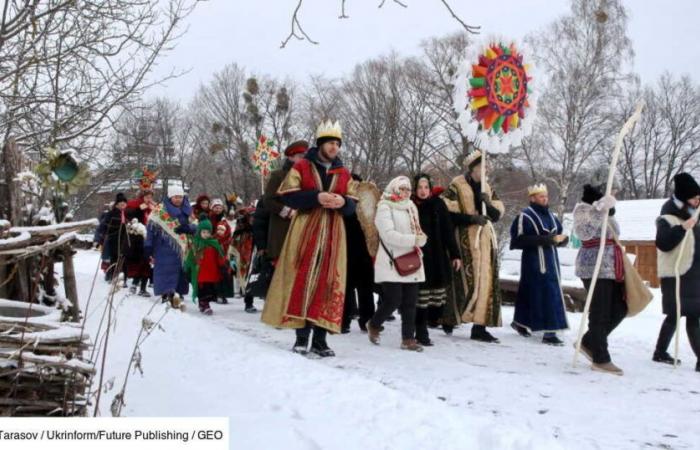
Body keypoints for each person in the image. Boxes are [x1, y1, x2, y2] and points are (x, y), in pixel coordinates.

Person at [261, 120, 356, 357]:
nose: (334, 147)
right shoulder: (302, 167)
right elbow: (288, 196)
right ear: (321, 144)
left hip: (334, 233)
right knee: (302, 280)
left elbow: (354, 204)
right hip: (305, 231)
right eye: (330, 143)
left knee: (328, 283)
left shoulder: (344, 172)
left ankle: (320, 340)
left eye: (337, 143)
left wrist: (344, 202)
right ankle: (301, 338)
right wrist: (316, 197)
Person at [441, 150, 504, 343]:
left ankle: (480, 326)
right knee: (462, 280)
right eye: (483, 166)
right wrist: (470, 218)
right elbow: (447, 213)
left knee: (486, 282)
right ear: (473, 167)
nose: (486, 170)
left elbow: (497, 214)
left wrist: (488, 204)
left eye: (488, 167)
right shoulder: (456, 185)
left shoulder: (487, 187)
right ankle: (450, 318)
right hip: (464, 239)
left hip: (484, 241)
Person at [366, 176, 427, 351]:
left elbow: (416, 228)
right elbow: (388, 235)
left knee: (410, 302)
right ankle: (375, 324)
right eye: (402, 189)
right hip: (391, 260)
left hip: (411, 259)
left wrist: (420, 237)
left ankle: (408, 339)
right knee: (393, 300)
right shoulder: (384, 206)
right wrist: (414, 240)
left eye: (408, 189)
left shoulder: (411, 206)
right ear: (394, 189)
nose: (406, 192)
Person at [573, 177, 626, 375]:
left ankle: (588, 341)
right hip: (592, 266)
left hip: (611, 268)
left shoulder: (609, 211)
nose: (616, 195)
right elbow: (584, 233)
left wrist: (606, 210)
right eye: (613, 191)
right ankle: (601, 357)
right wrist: (599, 209)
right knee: (600, 311)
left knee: (620, 308)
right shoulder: (583, 208)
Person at [509, 183, 569, 345]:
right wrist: (546, 239)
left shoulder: (551, 216)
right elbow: (517, 240)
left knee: (532, 292)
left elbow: (558, 235)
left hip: (551, 260)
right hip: (534, 260)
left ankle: (520, 322)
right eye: (541, 196)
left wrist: (562, 240)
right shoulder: (525, 215)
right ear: (532, 198)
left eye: (546, 196)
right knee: (545, 292)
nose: (545, 198)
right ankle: (550, 332)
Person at [653, 172, 700, 372]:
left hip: (695, 271)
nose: (698, 201)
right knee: (683, 313)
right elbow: (663, 243)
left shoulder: (695, 213)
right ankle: (662, 352)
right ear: (683, 196)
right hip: (677, 271)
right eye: (694, 197)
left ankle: (660, 351)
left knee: (685, 314)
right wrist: (683, 228)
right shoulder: (668, 215)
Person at [411, 173, 461, 346]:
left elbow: (448, 230)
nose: (423, 191)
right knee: (420, 296)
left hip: (437, 255)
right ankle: (420, 331)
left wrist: (455, 254)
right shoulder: (410, 205)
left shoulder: (438, 204)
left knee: (435, 297)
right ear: (414, 188)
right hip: (417, 255)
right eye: (419, 187)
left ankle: (429, 322)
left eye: (426, 187)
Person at [144, 185, 196, 309]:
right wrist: (148, 245)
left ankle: (178, 294)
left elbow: (196, 225)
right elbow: (150, 228)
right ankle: (166, 294)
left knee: (180, 272)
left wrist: (189, 228)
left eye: (180, 197)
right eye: (175, 197)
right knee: (165, 272)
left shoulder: (187, 209)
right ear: (170, 197)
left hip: (182, 248)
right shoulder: (160, 210)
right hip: (163, 247)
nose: (178, 199)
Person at [341, 174, 376, 334]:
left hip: (364, 250)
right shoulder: (343, 203)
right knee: (346, 287)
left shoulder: (367, 202)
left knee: (366, 288)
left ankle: (367, 319)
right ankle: (344, 319)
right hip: (346, 249)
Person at [263, 140, 309, 261]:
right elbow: (268, 201)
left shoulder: (308, 177)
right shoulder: (279, 176)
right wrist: (288, 212)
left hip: (304, 233)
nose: (304, 160)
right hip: (282, 231)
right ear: (290, 157)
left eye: (305, 157)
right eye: (300, 157)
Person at [184, 215, 228, 315]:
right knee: (202, 290)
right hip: (200, 273)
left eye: (208, 232)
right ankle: (204, 305)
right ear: (199, 232)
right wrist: (187, 268)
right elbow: (190, 257)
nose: (206, 234)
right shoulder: (196, 244)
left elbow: (220, 256)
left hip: (212, 272)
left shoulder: (213, 243)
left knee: (210, 290)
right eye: (204, 232)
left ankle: (204, 304)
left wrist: (222, 266)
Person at [209, 198, 233, 304]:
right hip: (210, 248)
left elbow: (222, 235)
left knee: (222, 271)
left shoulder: (223, 221)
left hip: (221, 249)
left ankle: (222, 294)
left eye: (219, 207)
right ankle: (213, 293)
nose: (218, 209)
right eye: (216, 207)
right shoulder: (209, 218)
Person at [104, 193, 130, 284]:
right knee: (115, 259)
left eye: (124, 203)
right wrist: (120, 225)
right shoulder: (111, 213)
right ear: (117, 204)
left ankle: (124, 279)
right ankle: (113, 276)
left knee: (124, 259)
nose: (123, 205)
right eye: (121, 203)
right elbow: (106, 225)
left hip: (125, 240)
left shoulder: (127, 212)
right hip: (114, 240)